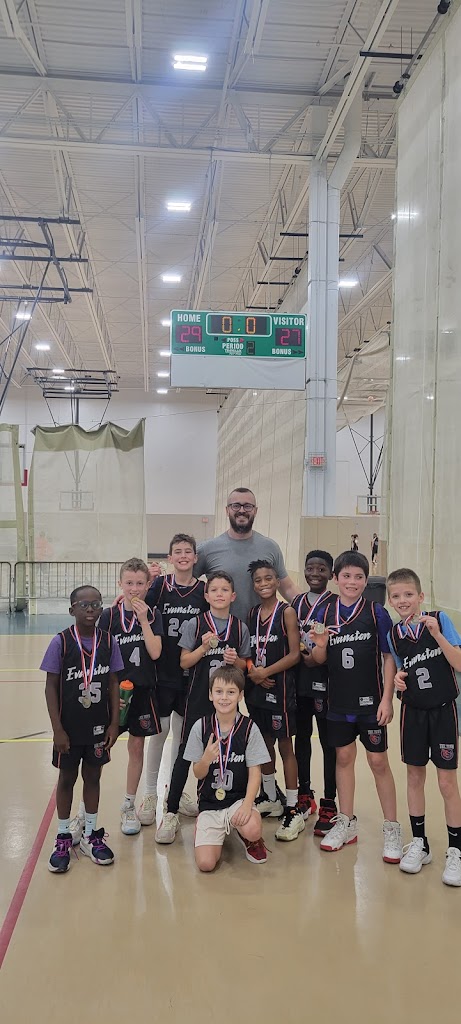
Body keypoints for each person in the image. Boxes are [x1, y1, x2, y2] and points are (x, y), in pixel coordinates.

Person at [309, 551, 403, 862]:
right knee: (344, 757)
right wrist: (320, 646)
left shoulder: (377, 613)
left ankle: (392, 828)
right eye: (346, 576)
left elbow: (388, 657)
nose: (352, 582)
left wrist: (387, 698)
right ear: (335, 578)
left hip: (371, 702)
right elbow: (318, 659)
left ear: (366, 581)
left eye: (358, 577)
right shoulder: (325, 611)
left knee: (378, 762)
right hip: (338, 702)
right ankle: (346, 822)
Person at [155, 571, 250, 844]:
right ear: (206, 596)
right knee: (186, 755)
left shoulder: (239, 628)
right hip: (198, 700)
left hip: (228, 704)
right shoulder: (195, 624)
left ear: (233, 596)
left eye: (225, 590)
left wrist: (235, 660)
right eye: (214, 590)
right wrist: (203, 648)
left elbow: (245, 665)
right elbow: (184, 661)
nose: (219, 594)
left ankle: (225, 807)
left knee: (229, 755)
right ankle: (170, 810)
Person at [387, 568, 461, 886]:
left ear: (420, 596)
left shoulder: (439, 620)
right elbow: (401, 671)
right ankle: (420, 843)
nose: (402, 600)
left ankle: (456, 850)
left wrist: (438, 635)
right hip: (412, 713)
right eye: (396, 596)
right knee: (415, 777)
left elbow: (458, 662)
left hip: (443, 712)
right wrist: (398, 680)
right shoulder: (394, 635)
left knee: (446, 783)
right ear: (390, 600)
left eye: (408, 594)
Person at [41, 585, 121, 872]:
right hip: (69, 728)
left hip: (98, 726)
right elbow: (50, 687)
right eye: (83, 604)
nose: (90, 609)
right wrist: (57, 729)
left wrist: (114, 723)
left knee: (93, 777)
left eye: (96, 604)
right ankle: (63, 836)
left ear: (102, 608)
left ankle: (89, 834)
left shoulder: (109, 641)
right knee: (66, 778)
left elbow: (114, 683)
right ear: (71, 609)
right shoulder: (61, 642)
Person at [138, 533, 208, 823]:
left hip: (191, 674)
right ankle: (150, 793)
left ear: (195, 558)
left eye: (187, 551)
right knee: (159, 733)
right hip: (163, 672)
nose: (183, 556)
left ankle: (175, 791)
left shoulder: (203, 590)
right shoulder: (159, 586)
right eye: (177, 551)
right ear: (169, 558)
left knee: (183, 736)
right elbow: (139, 606)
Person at [151, 488, 298, 622]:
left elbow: (287, 588)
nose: (242, 510)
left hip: (261, 631)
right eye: (236, 506)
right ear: (227, 510)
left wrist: (307, 609)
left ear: (255, 511)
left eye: (248, 506)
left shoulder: (270, 547)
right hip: (221, 633)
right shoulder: (208, 549)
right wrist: (149, 582)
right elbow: (182, 581)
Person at [98, 558, 163, 836]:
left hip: (142, 693)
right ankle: (85, 812)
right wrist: (108, 693)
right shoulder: (108, 616)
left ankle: (128, 804)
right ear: (120, 584)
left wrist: (144, 620)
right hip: (113, 695)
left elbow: (155, 652)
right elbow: (100, 657)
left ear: (148, 585)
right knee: (99, 750)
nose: (134, 589)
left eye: (139, 583)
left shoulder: (153, 614)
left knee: (136, 749)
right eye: (129, 583)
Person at [184, 665, 270, 870]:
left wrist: (247, 805)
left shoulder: (249, 728)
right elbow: (197, 773)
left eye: (231, 692)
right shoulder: (201, 727)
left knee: (252, 829)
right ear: (210, 695)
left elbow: (255, 773)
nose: (224, 697)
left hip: (237, 801)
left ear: (240, 696)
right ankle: (208, 829)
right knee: (206, 864)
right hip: (210, 804)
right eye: (219, 691)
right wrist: (206, 759)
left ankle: (248, 838)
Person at [246, 560, 304, 841]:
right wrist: (253, 672)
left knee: (284, 745)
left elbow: (295, 654)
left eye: (268, 578)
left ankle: (293, 808)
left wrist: (265, 672)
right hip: (256, 688)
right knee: (263, 743)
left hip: (280, 689)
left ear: (277, 581)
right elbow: (247, 651)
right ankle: (270, 797)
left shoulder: (287, 612)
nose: (263, 583)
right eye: (258, 580)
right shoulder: (252, 614)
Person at [291, 550, 337, 835]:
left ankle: (329, 800)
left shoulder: (334, 604)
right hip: (299, 680)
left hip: (325, 681)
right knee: (302, 737)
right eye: (310, 568)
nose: (315, 574)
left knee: (328, 742)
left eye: (321, 569)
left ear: (331, 574)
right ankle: (304, 793)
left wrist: (319, 658)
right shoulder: (296, 603)